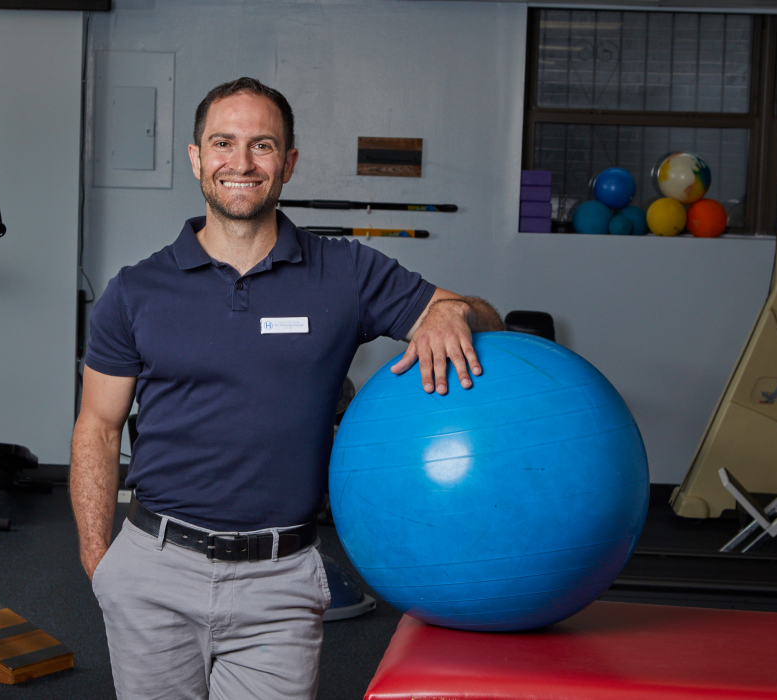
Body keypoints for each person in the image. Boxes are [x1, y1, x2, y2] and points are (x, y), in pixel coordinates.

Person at [70, 77, 504, 700]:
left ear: (289, 163)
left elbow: (486, 317)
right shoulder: (135, 290)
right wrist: (97, 558)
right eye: (223, 143)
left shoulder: (346, 272)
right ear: (196, 158)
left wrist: (451, 311)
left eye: (262, 145)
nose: (241, 163)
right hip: (153, 569)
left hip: (280, 580)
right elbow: (98, 426)